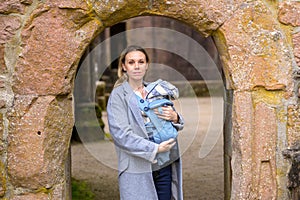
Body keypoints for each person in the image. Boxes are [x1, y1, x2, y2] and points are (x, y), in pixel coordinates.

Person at [107, 45, 184, 200]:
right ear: (124, 66)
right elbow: (121, 135)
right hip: (136, 166)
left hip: (164, 164)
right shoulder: (118, 96)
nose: (136, 66)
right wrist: (155, 148)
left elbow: (168, 125)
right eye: (131, 62)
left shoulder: (157, 90)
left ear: (147, 65)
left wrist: (175, 117)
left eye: (141, 62)